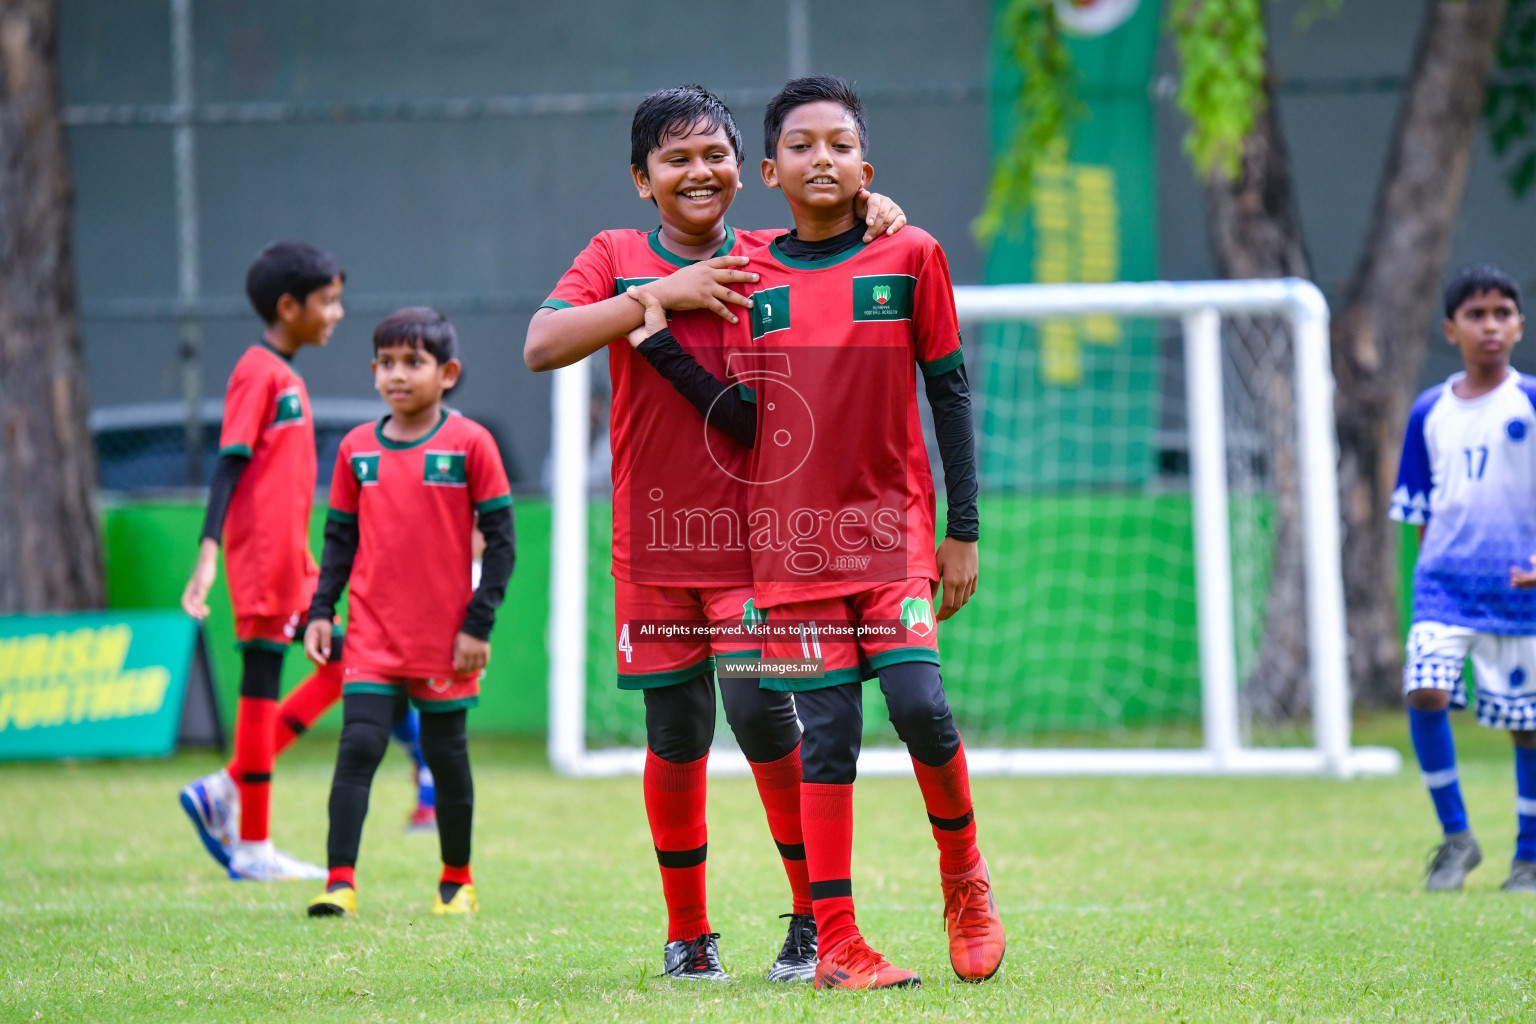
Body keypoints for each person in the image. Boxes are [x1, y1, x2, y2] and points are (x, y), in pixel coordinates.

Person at [625, 75, 1003, 990]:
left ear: (866, 167)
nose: (822, 158)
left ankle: (965, 882)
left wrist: (965, 529)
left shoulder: (909, 252)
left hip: (893, 536)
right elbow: (748, 421)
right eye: (801, 145)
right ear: (768, 171)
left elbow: (948, 391)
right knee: (827, 735)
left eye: (840, 144)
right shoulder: (748, 273)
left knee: (920, 708)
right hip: (787, 552)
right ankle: (836, 942)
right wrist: (659, 347)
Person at [523, 84, 906, 982]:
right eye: (676, 159)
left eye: (715, 156)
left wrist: (875, 208)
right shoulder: (615, 256)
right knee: (677, 729)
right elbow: (543, 344)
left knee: (759, 712)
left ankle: (814, 922)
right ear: (641, 179)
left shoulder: (774, 255)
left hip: (753, 544)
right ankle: (687, 937)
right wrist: (659, 294)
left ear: (744, 169)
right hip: (653, 547)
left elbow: (856, 249)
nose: (699, 173)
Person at [302, 308, 513, 917]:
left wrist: (479, 624)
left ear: (447, 373)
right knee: (358, 747)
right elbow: (338, 541)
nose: (398, 374)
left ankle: (457, 881)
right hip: (371, 635)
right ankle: (339, 881)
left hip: (446, 638)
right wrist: (322, 610)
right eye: (387, 363)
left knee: (445, 758)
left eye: (413, 362)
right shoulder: (354, 451)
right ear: (373, 371)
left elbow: (501, 544)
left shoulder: (471, 443)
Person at [177, 241, 343, 881]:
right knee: (265, 684)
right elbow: (229, 463)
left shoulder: (286, 373)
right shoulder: (257, 370)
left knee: (341, 665)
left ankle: (227, 792)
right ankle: (250, 845)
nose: (336, 313)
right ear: (288, 306)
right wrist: (207, 556)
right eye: (327, 302)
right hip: (263, 562)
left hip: (291, 561)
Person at [1391, 263, 1536, 893]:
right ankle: (1457, 838)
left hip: (1517, 592)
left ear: (1520, 325)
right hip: (1444, 590)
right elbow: (1422, 508)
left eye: (1502, 313)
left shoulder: (1530, 401)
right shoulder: (1430, 412)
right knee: (1424, 692)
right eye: (1476, 315)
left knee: (1525, 724)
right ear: (1451, 329)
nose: (1491, 326)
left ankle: (1528, 856)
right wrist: (1429, 574)